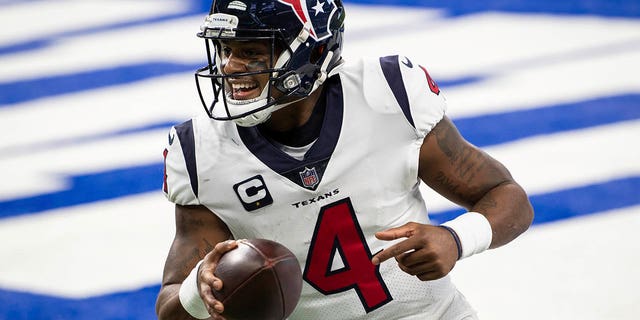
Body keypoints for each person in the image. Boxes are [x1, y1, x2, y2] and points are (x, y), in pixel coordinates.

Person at [155, 0, 534, 319]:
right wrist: (199, 288)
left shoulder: (389, 97)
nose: (229, 67)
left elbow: (506, 195)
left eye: (251, 52)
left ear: (315, 51)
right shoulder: (200, 152)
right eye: (225, 50)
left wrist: (456, 238)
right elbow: (170, 301)